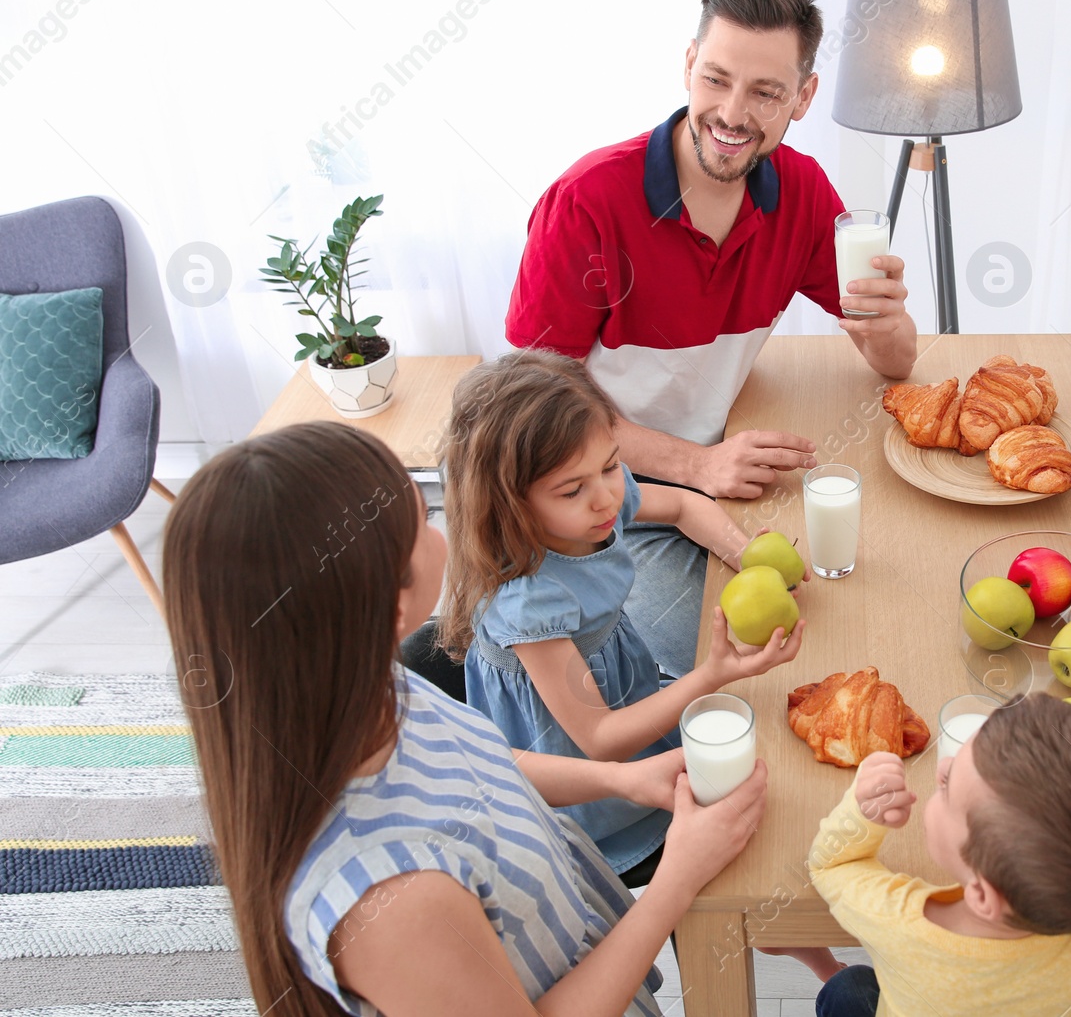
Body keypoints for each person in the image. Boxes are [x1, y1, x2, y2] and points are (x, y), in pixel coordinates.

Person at [163, 420, 768, 1017]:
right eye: (422, 519)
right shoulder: (391, 900)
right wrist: (675, 883)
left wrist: (618, 781)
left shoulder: (363, 686)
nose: (444, 524)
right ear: (391, 599)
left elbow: (468, 761)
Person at [504, 0, 918, 681]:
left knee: (853, 605)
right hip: (594, 481)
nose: (731, 113)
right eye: (717, 78)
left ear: (803, 98)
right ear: (689, 64)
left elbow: (898, 365)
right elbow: (528, 414)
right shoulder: (587, 203)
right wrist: (696, 469)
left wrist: (885, 323)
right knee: (712, 660)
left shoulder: (806, 194)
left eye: (764, 93)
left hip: (713, 467)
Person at [435, 349, 801, 880]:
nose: (608, 497)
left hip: (623, 689)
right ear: (510, 502)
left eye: (610, 465)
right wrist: (714, 673)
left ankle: (807, 955)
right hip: (582, 767)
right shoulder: (530, 601)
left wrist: (748, 560)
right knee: (729, 850)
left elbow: (682, 506)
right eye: (573, 489)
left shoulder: (592, 499)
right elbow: (601, 741)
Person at [808, 695, 1071, 1017]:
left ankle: (829, 971)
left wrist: (863, 814)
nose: (943, 765)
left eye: (950, 788)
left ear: (985, 896)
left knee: (848, 990)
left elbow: (831, 865)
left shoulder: (899, 923)